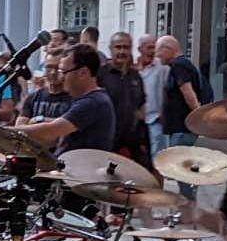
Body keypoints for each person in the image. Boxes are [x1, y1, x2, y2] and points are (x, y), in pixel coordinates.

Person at [15, 44, 115, 156]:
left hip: (80, 171)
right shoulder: (90, 100)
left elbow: (50, 131)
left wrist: (5, 132)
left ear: (83, 73)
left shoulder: (93, 102)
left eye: (63, 72)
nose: (61, 77)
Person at [156, 35, 205, 201]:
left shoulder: (179, 66)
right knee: (182, 167)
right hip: (181, 128)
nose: (157, 55)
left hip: (183, 129)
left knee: (179, 168)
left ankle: (190, 205)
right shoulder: (184, 64)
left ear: (168, 49)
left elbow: (188, 93)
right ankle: (189, 204)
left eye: (159, 51)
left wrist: (198, 117)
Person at [98, 32, 149, 167]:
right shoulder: (100, 74)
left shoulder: (136, 76)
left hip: (132, 140)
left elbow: (141, 104)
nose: (122, 51)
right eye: (118, 47)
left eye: (126, 47)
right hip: (106, 140)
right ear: (110, 49)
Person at [15, 51, 73, 126]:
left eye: (57, 68)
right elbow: (20, 125)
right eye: (49, 67)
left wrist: (39, 119)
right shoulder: (33, 98)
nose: (53, 72)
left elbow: (70, 124)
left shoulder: (74, 97)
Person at [137, 34, 169, 160]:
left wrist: (164, 114)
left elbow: (167, 91)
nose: (152, 51)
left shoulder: (162, 67)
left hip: (155, 119)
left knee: (157, 157)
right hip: (138, 120)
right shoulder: (134, 67)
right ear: (140, 49)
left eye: (154, 47)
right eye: (149, 48)